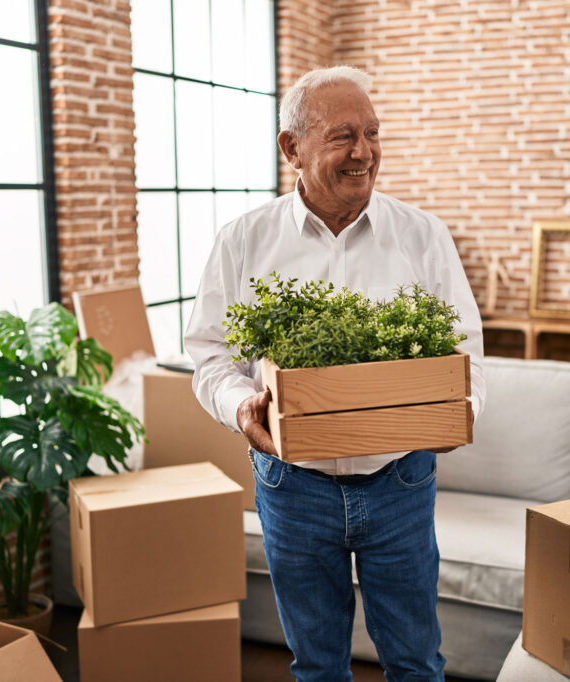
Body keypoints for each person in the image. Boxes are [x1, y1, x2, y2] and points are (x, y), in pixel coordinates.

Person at [185, 65, 486, 682]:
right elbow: (210, 354)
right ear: (291, 148)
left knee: (415, 663)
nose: (365, 152)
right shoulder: (243, 241)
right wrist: (243, 404)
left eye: (373, 133)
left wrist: (458, 412)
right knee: (317, 667)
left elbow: (467, 353)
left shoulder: (423, 236)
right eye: (343, 135)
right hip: (292, 487)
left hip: (399, 479)